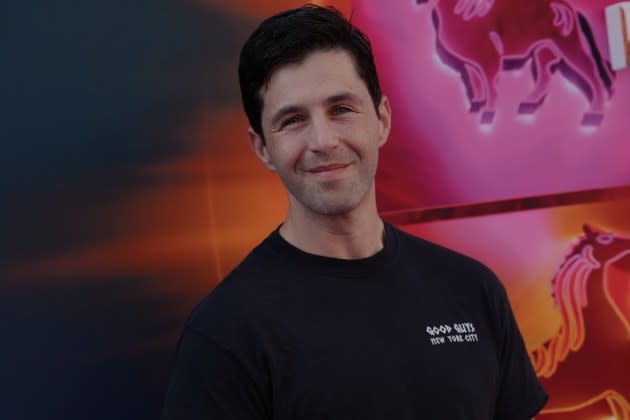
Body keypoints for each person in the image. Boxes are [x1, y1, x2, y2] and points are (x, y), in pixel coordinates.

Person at [161, 5, 547, 419]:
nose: (323, 141)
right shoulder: (226, 334)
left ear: (381, 120)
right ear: (262, 148)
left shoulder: (473, 290)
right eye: (293, 120)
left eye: (341, 110)